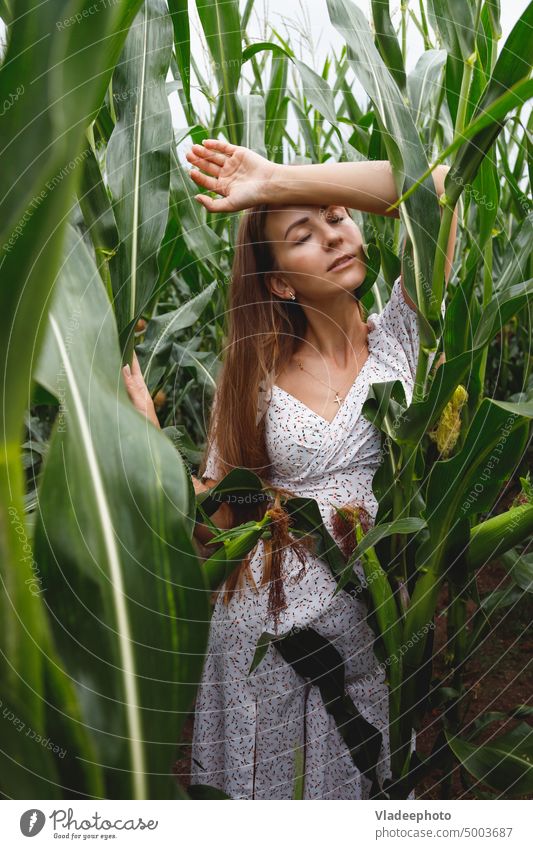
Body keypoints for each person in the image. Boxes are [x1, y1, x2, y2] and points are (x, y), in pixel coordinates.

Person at [122, 139, 457, 800]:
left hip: (368, 647)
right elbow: (216, 525)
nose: (332, 235)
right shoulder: (253, 380)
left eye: (338, 215)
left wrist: (278, 181)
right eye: (303, 234)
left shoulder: (400, 338)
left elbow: (437, 186)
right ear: (278, 281)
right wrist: (146, 441)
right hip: (259, 651)